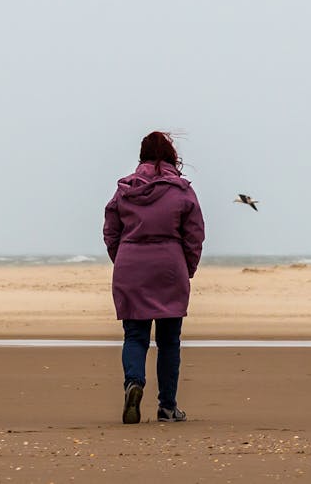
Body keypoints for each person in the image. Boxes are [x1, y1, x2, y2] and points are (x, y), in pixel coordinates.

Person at [103, 131, 205, 424]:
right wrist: (188, 267)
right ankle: (167, 406)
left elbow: (111, 230)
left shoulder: (124, 190)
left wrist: (121, 257)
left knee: (135, 335)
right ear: (173, 157)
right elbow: (195, 234)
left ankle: (134, 383)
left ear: (142, 156)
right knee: (169, 340)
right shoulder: (181, 191)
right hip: (169, 265)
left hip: (131, 264)